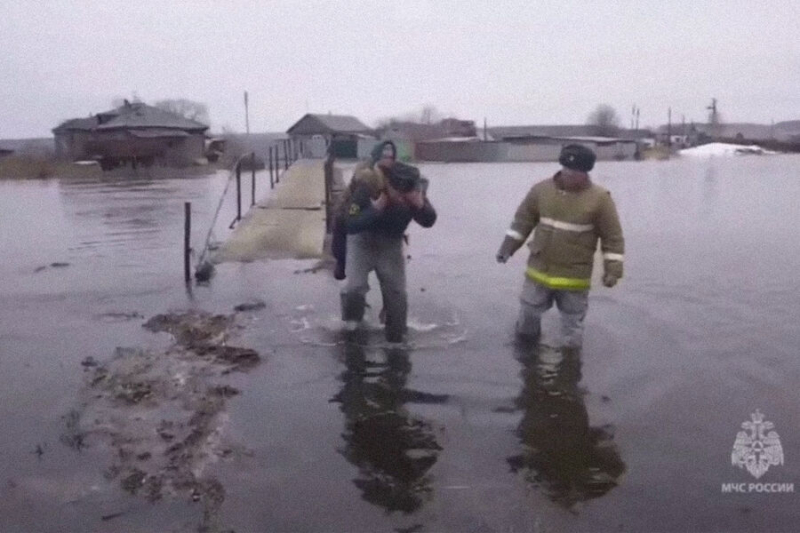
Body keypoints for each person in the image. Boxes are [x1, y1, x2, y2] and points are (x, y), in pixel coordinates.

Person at [496, 144, 624, 348]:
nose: (569, 175)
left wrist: (613, 271)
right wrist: (507, 249)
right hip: (538, 271)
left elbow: (613, 238)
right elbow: (522, 222)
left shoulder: (600, 199)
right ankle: (526, 356)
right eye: (566, 169)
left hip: (574, 277)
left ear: (586, 172)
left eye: (575, 171)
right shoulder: (540, 190)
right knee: (527, 317)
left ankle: (570, 366)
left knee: (572, 329)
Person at [341, 159, 436, 343]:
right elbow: (350, 224)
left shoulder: (415, 191)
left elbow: (429, 221)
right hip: (362, 240)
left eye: (406, 192)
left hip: (391, 243)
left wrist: (420, 206)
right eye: (398, 192)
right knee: (354, 287)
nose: (402, 197)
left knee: (397, 294)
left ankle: (396, 332)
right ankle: (352, 324)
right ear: (389, 185)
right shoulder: (369, 187)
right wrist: (375, 209)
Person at [331, 141, 397, 280]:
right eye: (385, 156)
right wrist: (374, 208)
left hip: (374, 219)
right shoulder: (368, 176)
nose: (388, 159)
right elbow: (351, 214)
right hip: (350, 213)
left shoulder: (395, 173)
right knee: (343, 254)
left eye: (391, 157)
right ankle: (342, 264)